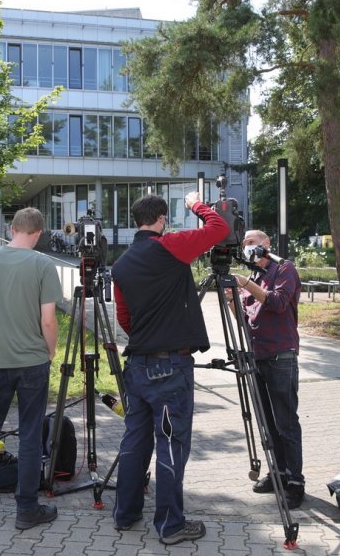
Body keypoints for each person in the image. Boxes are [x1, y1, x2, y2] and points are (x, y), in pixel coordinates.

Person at [110, 192, 229, 546]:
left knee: (134, 441)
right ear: (161, 219)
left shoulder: (121, 264)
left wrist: (148, 337)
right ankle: (170, 525)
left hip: (137, 365)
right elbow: (219, 228)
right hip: (169, 367)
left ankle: (125, 513)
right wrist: (196, 203)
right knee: (171, 444)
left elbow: (123, 316)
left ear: (136, 221)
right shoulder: (171, 246)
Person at [0, 207, 62, 529]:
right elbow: (48, 320)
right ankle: (26, 509)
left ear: (12, 229)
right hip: (32, 362)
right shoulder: (43, 265)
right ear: (38, 232)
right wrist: (50, 350)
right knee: (31, 435)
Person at [228, 230, 305, 509]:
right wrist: (231, 301)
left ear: (266, 244)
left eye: (252, 242)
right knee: (267, 422)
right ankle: (278, 473)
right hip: (256, 355)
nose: (248, 246)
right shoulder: (255, 277)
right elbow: (245, 322)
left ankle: (295, 481)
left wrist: (246, 284)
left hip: (280, 356)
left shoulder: (284, 268)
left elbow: (278, 302)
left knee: (286, 422)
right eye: (245, 243)